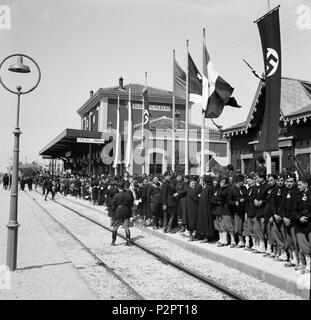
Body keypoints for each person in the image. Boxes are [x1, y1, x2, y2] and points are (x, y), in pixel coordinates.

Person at [293, 175, 311, 273]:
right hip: (299, 224)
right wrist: (299, 218)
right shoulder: (297, 195)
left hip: (309, 223)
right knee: (304, 246)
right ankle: (307, 264)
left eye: (300, 185)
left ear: (306, 185)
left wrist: (306, 217)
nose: (298, 186)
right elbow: (294, 210)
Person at [110, 181, 134, 246]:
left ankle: (113, 241)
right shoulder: (128, 194)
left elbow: (113, 204)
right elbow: (131, 203)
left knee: (115, 227)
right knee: (126, 227)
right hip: (126, 211)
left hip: (118, 211)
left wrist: (112, 211)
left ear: (118, 187)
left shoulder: (116, 195)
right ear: (124, 187)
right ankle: (128, 241)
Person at [197, 175, 216, 243]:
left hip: (206, 208)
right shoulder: (210, 187)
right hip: (207, 208)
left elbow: (205, 199)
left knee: (206, 222)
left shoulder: (207, 188)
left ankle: (207, 237)